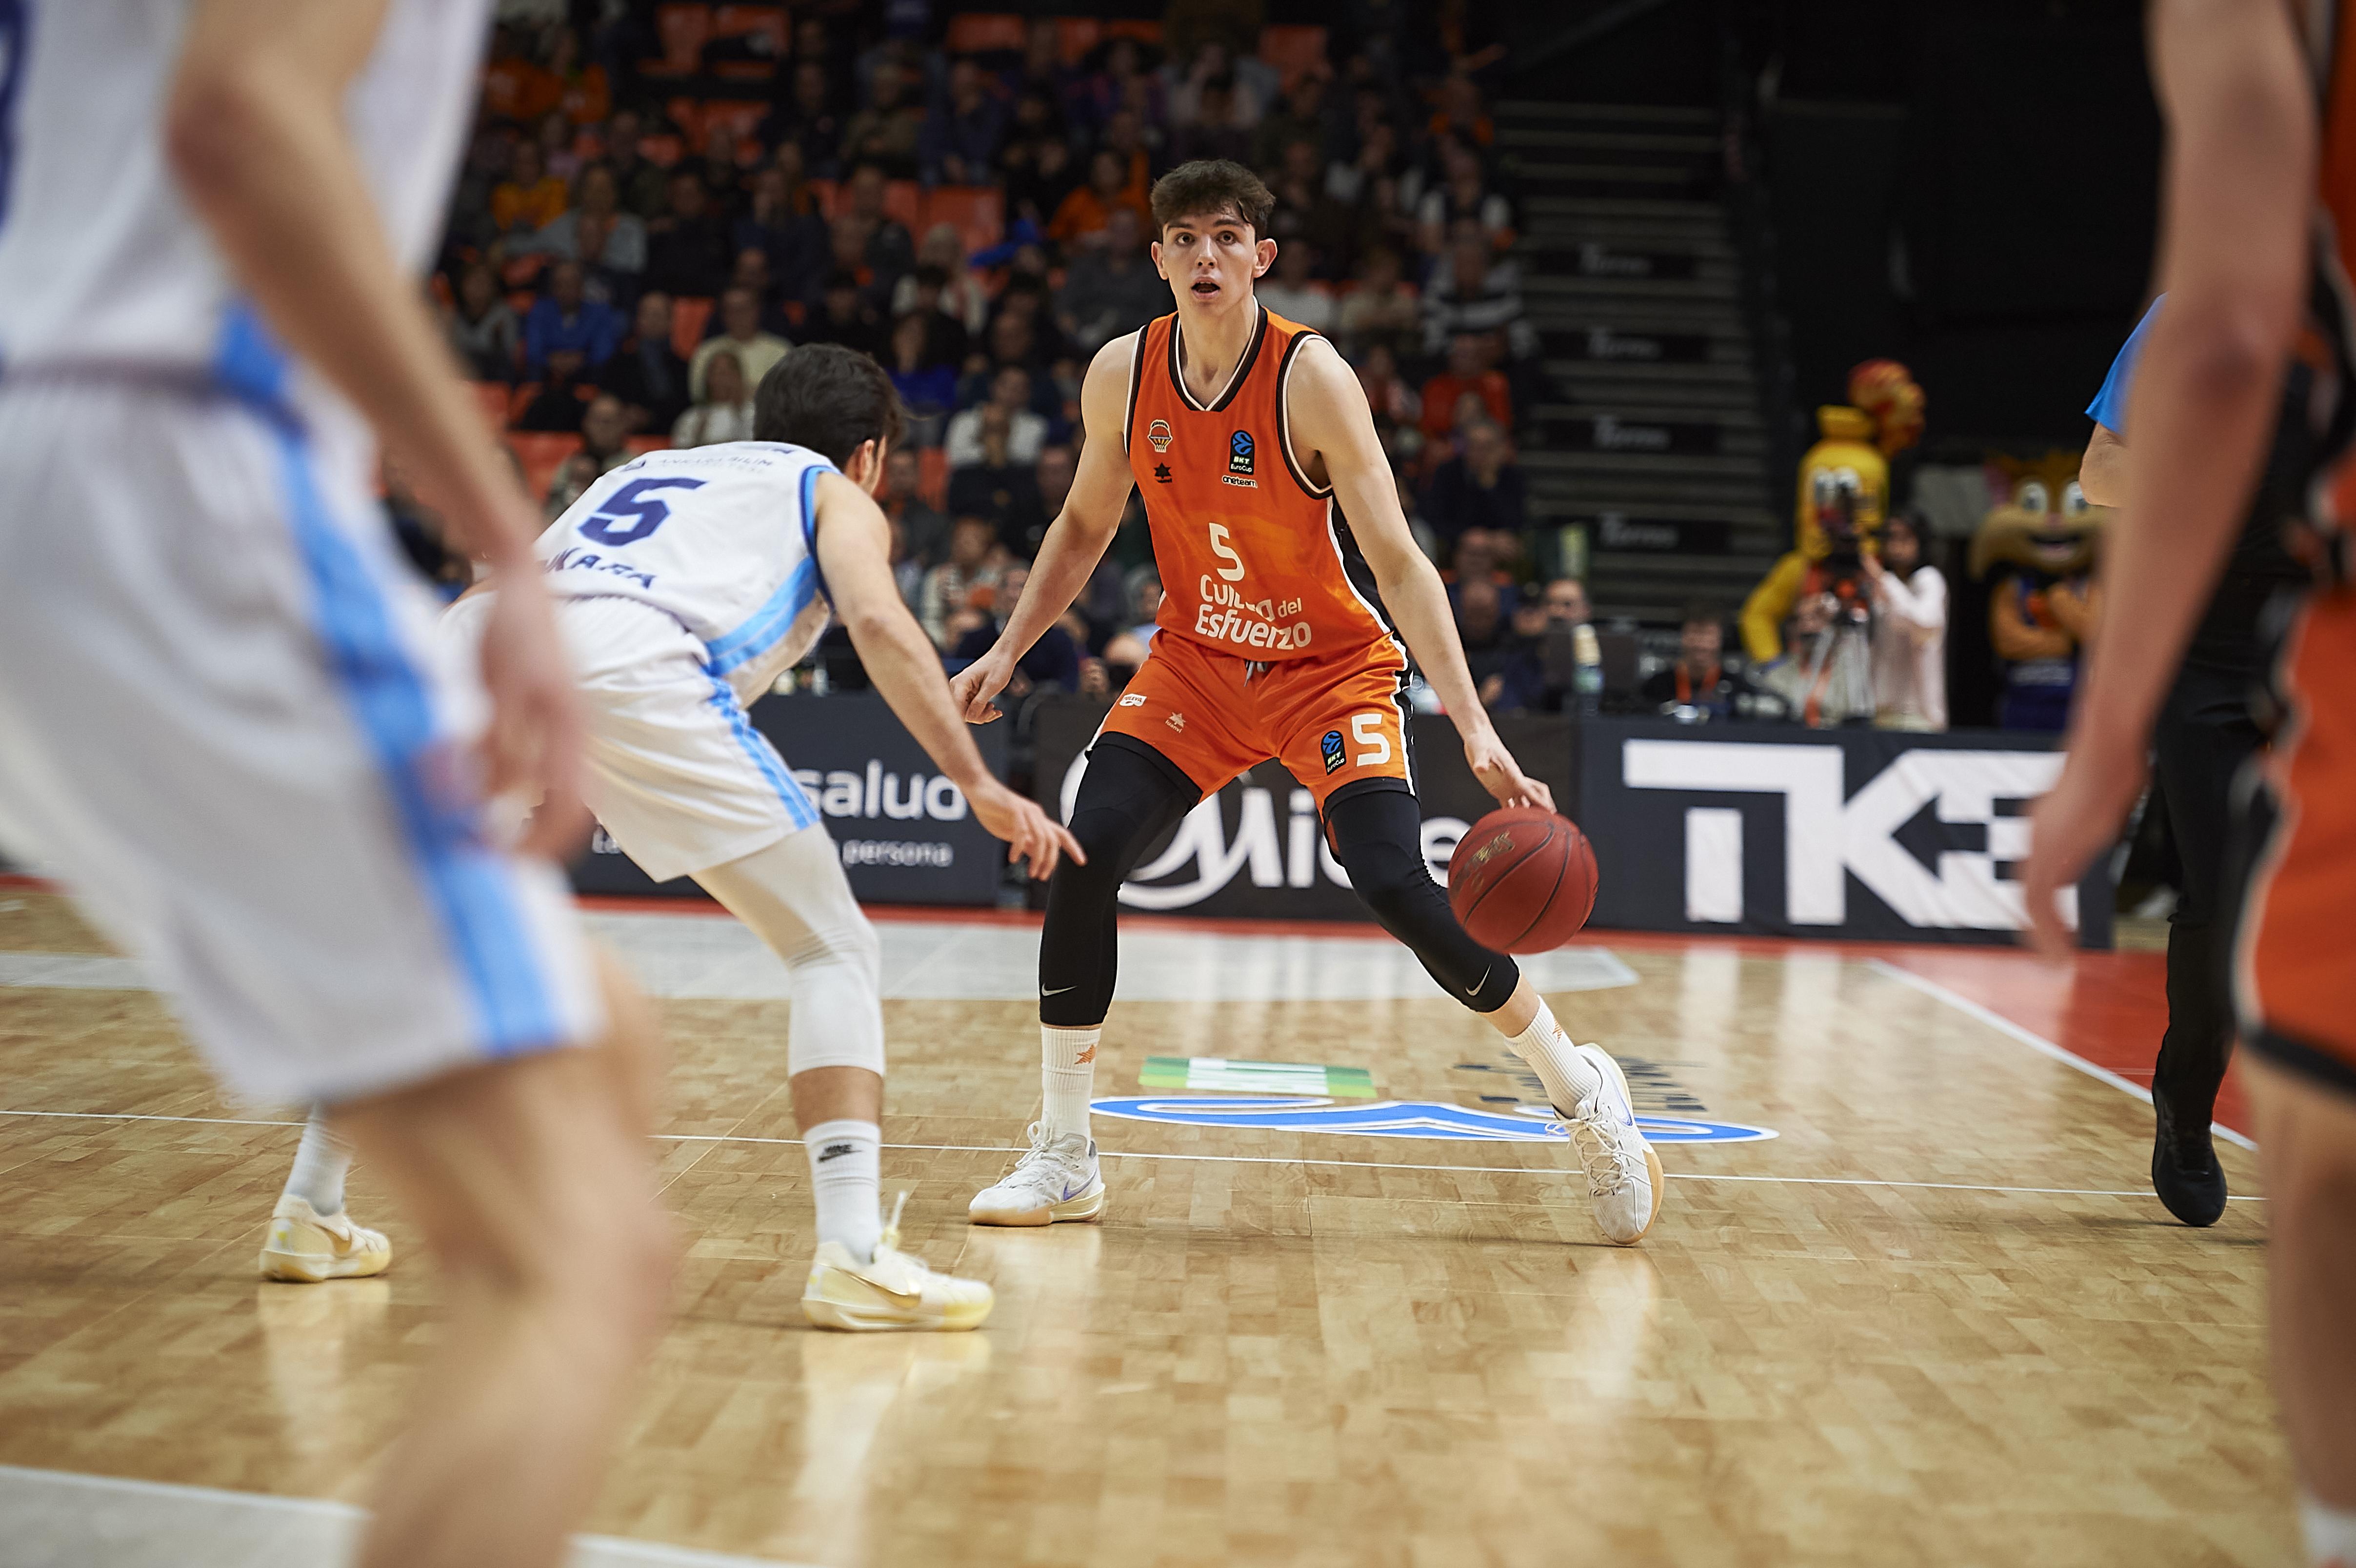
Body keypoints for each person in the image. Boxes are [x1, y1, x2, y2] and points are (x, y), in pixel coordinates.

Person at [0, 5, 673, 1565]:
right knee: (574, 1249)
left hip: (63, 437)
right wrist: (507, 542)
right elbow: (239, 120)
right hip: (164, 456)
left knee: (609, 1046)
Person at [948, 159, 1660, 1246]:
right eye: (1182, 240)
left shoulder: (1311, 378)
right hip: (1196, 663)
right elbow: (1085, 526)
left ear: (1262, 257)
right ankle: (1064, 1150)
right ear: (1156, 259)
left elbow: (1403, 564)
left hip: (1330, 669)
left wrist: (1472, 723)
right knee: (1086, 851)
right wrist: (1009, 647)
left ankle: (1581, 1088)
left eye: (1226, 237)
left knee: (1393, 881)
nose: (1204, 258)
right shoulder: (1119, 374)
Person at [461, 344, 1081, 1333]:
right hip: (638, 661)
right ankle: (850, 1251)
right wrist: (975, 779)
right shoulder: (832, 490)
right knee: (831, 944)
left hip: (485, 644)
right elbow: (878, 620)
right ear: (872, 455)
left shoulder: (643, 466)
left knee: (434, 931)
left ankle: (311, 1212)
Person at [2019, 6, 2356, 1561]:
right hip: (2231, 654)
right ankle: (2181, 1087)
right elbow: (2096, 475)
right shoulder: (2195, 305)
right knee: (2227, 920)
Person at [1864, 511, 1948, 732]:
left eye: (1905, 538)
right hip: (1878, 708)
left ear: (1921, 541)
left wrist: (1883, 579)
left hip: (1918, 714)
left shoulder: (1929, 579)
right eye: (1890, 539)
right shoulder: (1881, 584)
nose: (1896, 546)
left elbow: (1924, 624)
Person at [597, 290, 692, 434]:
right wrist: (625, 413)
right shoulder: (618, 363)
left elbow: (686, 409)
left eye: (658, 315)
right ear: (637, 320)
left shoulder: (684, 368)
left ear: (671, 321)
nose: (653, 321)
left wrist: (651, 417)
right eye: (647, 314)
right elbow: (607, 400)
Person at [1423, 418, 1527, 548]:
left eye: (1488, 447)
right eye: (1475, 447)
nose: (1481, 454)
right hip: (1457, 544)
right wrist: (1467, 537)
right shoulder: (1447, 473)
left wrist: (1490, 485)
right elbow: (1436, 519)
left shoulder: (1513, 477)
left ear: (1500, 449)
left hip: (1499, 547)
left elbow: (1516, 522)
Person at [522, 258, 622, 381]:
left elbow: (604, 351)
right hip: (547, 377)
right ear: (553, 288)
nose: (566, 290)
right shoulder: (540, 311)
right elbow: (533, 350)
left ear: (581, 287)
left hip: (588, 375)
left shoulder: (600, 312)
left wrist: (582, 360)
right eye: (560, 284)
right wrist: (551, 360)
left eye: (571, 284)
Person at [689, 285, 791, 403]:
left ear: (757, 310)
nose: (738, 316)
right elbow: (698, 397)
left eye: (743, 309)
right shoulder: (706, 351)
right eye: (731, 310)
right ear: (723, 314)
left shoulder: (781, 350)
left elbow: (786, 398)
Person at [919, 514, 1005, 648]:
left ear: (985, 546)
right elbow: (930, 619)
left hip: (987, 647)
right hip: (944, 649)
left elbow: (1001, 617)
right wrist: (945, 643)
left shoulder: (996, 579)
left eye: (972, 539)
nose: (964, 545)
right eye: (959, 539)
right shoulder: (938, 577)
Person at [443, 260, 520, 382]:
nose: (478, 287)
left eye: (483, 282)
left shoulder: (504, 315)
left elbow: (509, 355)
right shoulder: (451, 314)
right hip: (454, 373)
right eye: (473, 282)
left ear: (494, 287)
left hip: (490, 377)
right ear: (462, 284)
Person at [672, 349, 756, 447]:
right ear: (707, 379)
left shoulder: (754, 414)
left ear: (739, 378)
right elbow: (681, 454)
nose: (721, 380)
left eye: (727, 373)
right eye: (716, 373)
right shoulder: (692, 417)